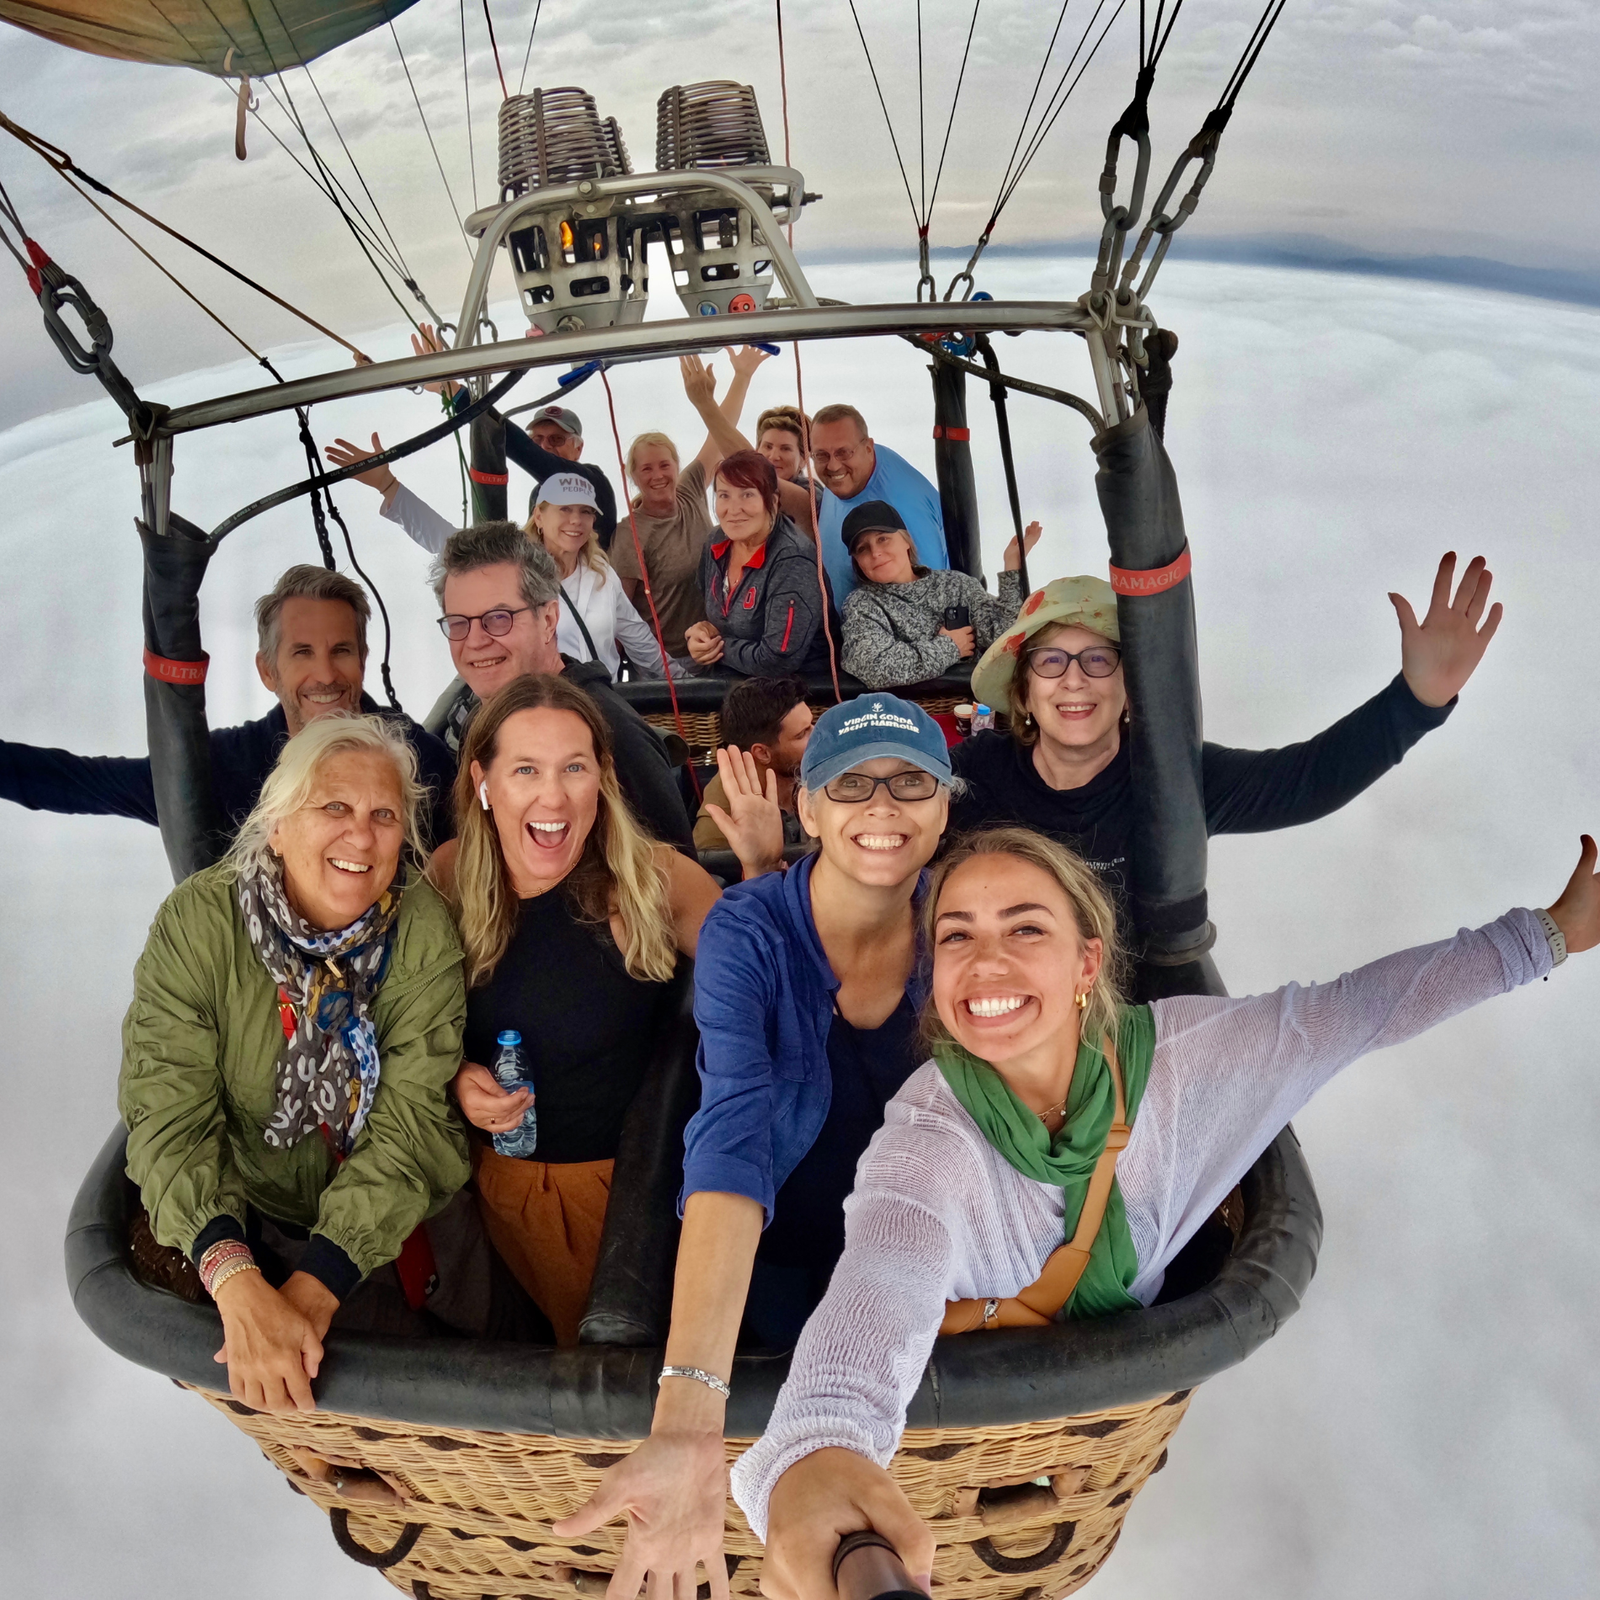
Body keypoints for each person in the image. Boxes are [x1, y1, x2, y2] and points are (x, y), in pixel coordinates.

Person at [733, 823, 1600, 1594]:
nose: (985, 962)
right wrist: (820, 1446)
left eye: (1024, 928)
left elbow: (1355, 1012)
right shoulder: (927, 1135)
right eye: (957, 936)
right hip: (929, 1427)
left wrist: (1547, 937)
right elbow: (887, 1269)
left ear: (1087, 962)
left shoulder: (1189, 1061)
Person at [552, 694, 955, 1597]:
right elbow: (732, 1133)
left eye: (910, 782)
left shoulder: (964, 925)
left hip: (929, 1272)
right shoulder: (752, 931)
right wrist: (690, 1413)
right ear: (807, 808)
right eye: (851, 783)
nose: (882, 806)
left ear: (944, 806)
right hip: (780, 1261)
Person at [118, 713, 473, 1414]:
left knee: (487, 1356)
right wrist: (237, 1282)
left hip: (415, 1222)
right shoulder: (199, 926)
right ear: (277, 826)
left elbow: (412, 1128)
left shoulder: (422, 930)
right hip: (261, 1228)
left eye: (384, 815)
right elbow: (167, 1117)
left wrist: (313, 1292)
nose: (362, 835)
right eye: (334, 807)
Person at [428, 674, 781, 1343]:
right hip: (485, 1197)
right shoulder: (447, 878)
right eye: (526, 769)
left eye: (574, 768)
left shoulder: (653, 881)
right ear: (484, 780)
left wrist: (762, 871)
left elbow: (766, 988)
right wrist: (452, 1076)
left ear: (603, 777)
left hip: (627, 1204)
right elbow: (399, 1024)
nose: (552, 795)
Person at [952, 555, 1503, 926]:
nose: (1075, 678)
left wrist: (1415, 702)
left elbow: (1307, 780)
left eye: (1099, 659)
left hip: (1127, 1027)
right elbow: (894, 806)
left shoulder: (1173, 780)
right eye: (1051, 661)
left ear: (1130, 690)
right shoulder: (978, 774)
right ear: (1023, 693)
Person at [0, 565, 456, 848]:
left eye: (341, 650)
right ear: (267, 671)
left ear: (362, 659)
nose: (326, 674)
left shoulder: (418, 758)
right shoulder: (228, 767)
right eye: (302, 653)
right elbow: (79, 782)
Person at [428, 522, 695, 852]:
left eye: (498, 618)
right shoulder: (479, 716)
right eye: (458, 623)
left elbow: (675, 885)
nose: (476, 641)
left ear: (549, 620)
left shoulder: (614, 736)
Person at [327, 321, 620, 548]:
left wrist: (454, 393)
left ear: (578, 449)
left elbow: (525, 453)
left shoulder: (592, 482)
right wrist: (388, 486)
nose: (544, 446)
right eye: (538, 439)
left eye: (556, 440)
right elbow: (468, 552)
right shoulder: (538, 501)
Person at [610, 348, 780, 658]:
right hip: (669, 664)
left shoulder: (689, 489)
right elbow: (619, 615)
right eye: (646, 469)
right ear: (632, 476)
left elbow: (720, 429)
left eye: (664, 465)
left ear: (677, 466)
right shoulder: (630, 534)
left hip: (719, 648)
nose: (658, 475)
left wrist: (742, 376)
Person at [840, 501, 1042, 689]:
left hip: (969, 706)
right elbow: (873, 667)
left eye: (883, 539)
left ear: (906, 541)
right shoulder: (861, 604)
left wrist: (1012, 568)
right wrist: (950, 646)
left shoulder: (957, 585)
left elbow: (1004, 639)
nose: (875, 553)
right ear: (858, 562)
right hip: (902, 713)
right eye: (862, 549)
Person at [683, 450, 840, 680]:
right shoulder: (716, 541)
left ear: (773, 501)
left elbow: (777, 661)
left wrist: (719, 647)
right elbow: (712, 617)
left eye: (747, 495)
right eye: (724, 495)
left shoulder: (793, 560)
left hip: (795, 695)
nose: (734, 509)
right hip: (730, 682)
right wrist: (699, 635)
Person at [526, 470, 679, 680]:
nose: (576, 520)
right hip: (551, 705)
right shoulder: (519, 579)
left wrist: (685, 682)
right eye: (565, 509)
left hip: (605, 704)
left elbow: (639, 639)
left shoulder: (601, 572)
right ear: (539, 517)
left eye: (586, 511)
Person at [811, 403, 949, 603]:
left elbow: (932, 601)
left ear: (868, 447)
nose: (833, 465)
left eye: (843, 452)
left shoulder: (905, 510)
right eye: (821, 455)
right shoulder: (851, 473)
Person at [692, 675, 813, 854]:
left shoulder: (823, 771)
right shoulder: (720, 824)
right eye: (802, 734)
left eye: (811, 725)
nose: (818, 736)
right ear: (762, 753)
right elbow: (712, 876)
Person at [754, 404, 813, 493]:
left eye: (785, 449)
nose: (774, 456)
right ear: (757, 449)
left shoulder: (812, 492)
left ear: (804, 459)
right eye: (768, 447)